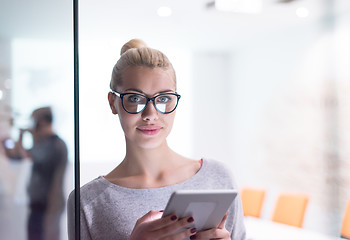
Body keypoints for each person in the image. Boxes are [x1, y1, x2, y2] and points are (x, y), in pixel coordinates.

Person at [67, 39, 246, 240]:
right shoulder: (87, 202)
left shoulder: (217, 178)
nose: (150, 114)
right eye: (135, 98)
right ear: (113, 103)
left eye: (163, 99)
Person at [3, 107, 68, 240]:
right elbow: (16, 156)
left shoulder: (55, 144)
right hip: (40, 206)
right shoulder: (46, 144)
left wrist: (25, 134)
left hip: (48, 206)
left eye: (33, 121)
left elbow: (25, 154)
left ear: (41, 122)